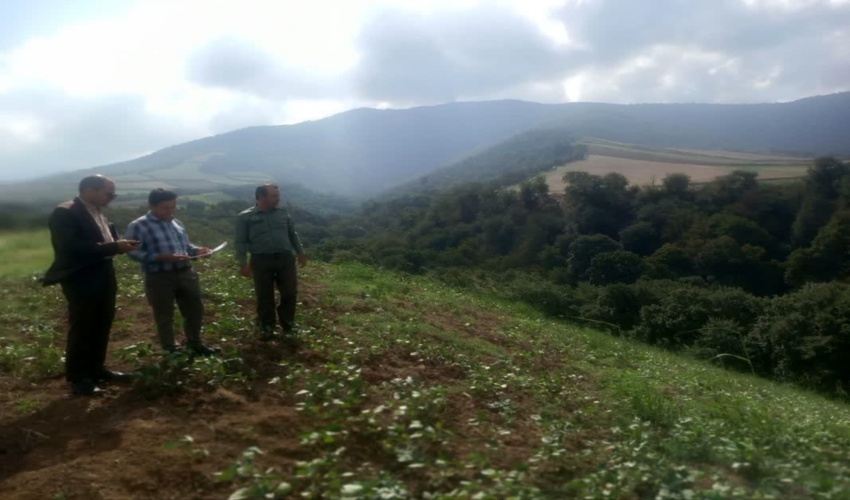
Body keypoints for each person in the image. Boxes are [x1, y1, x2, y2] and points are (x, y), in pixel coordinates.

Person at [43, 175, 140, 396]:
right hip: (81, 276)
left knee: (102, 322)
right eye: (109, 194)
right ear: (89, 190)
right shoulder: (65, 212)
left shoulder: (97, 211)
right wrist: (114, 247)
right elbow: (71, 247)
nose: (112, 198)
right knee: (84, 325)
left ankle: (97, 368)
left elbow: (102, 240)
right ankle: (78, 378)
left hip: (104, 272)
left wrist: (118, 244)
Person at [125, 188, 217, 356]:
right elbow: (132, 252)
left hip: (186, 273)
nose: (169, 211)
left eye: (172, 207)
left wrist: (198, 251)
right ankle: (170, 349)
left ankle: (195, 343)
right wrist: (160, 257)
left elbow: (186, 246)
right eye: (165, 208)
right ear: (152, 206)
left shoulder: (177, 223)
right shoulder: (138, 225)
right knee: (164, 314)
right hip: (159, 277)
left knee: (195, 310)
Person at [234, 183, 308, 340]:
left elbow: (292, 234)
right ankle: (267, 327)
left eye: (278, 195)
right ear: (261, 197)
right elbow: (240, 242)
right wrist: (243, 263)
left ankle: (288, 324)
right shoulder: (245, 217)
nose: (278, 199)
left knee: (289, 292)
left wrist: (301, 252)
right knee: (264, 295)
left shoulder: (283, 214)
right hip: (261, 260)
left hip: (285, 258)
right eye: (274, 196)